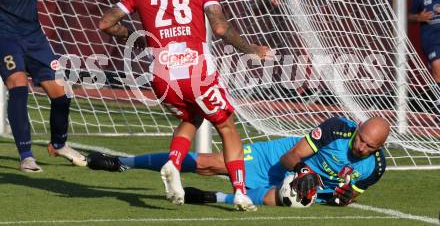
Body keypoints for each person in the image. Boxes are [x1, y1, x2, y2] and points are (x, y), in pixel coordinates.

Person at [98, 0, 273, 211]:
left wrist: (135, 37)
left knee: (192, 117)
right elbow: (220, 27)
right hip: (195, 70)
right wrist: (251, 49)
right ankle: (240, 192)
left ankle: (173, 162)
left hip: (161, 75)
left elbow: (106, 23)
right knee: (227, 126)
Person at [87, 116, 389, 207]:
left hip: (303, 185)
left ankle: (212, 197)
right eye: (361, 138)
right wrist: (303, 173)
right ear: (358, 128)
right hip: (276, 160)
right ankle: (124, 161)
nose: (362, 147)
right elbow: (290, 157)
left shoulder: (376, 167)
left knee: (279, 201)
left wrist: (344, 197)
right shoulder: (337, 128)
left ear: (380, 147)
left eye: (369, 146)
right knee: (209, 164)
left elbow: (349, 197)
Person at [0, 0, 87, 172]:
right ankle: (26, 155)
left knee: (61, 94)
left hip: (35, 36)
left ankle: (59, 144)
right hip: (5, 37)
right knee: (18, 86)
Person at [409, 0, 440, 109]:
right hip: (431, 39)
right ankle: (438, 104)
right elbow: (409, 16)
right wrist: (419, 17)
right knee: (437, 67)